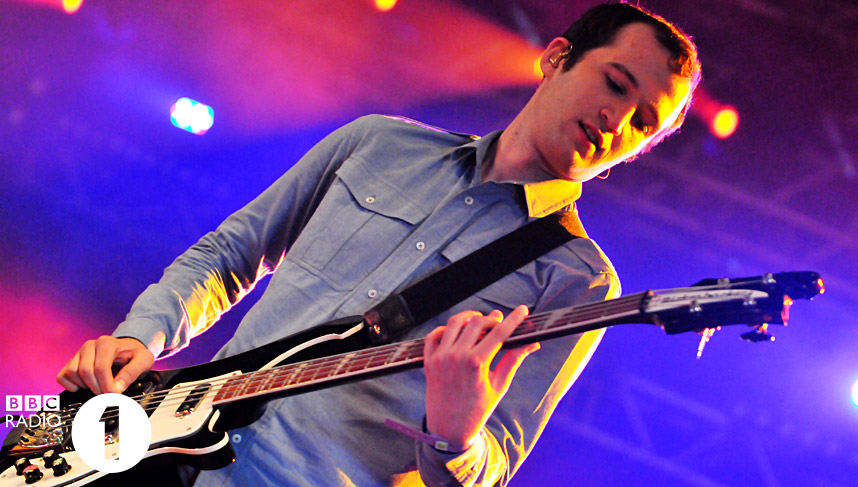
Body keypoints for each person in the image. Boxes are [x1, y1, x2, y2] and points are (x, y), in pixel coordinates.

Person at [57, 3, 701, 486]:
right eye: (616, 84)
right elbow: (228, 255)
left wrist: (457, 434)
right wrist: (141, 337)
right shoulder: (378, 142)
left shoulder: (579, 281)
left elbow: (494, 464)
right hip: (163, 443)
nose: (619, 120)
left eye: (644, 122)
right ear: (556, 56)